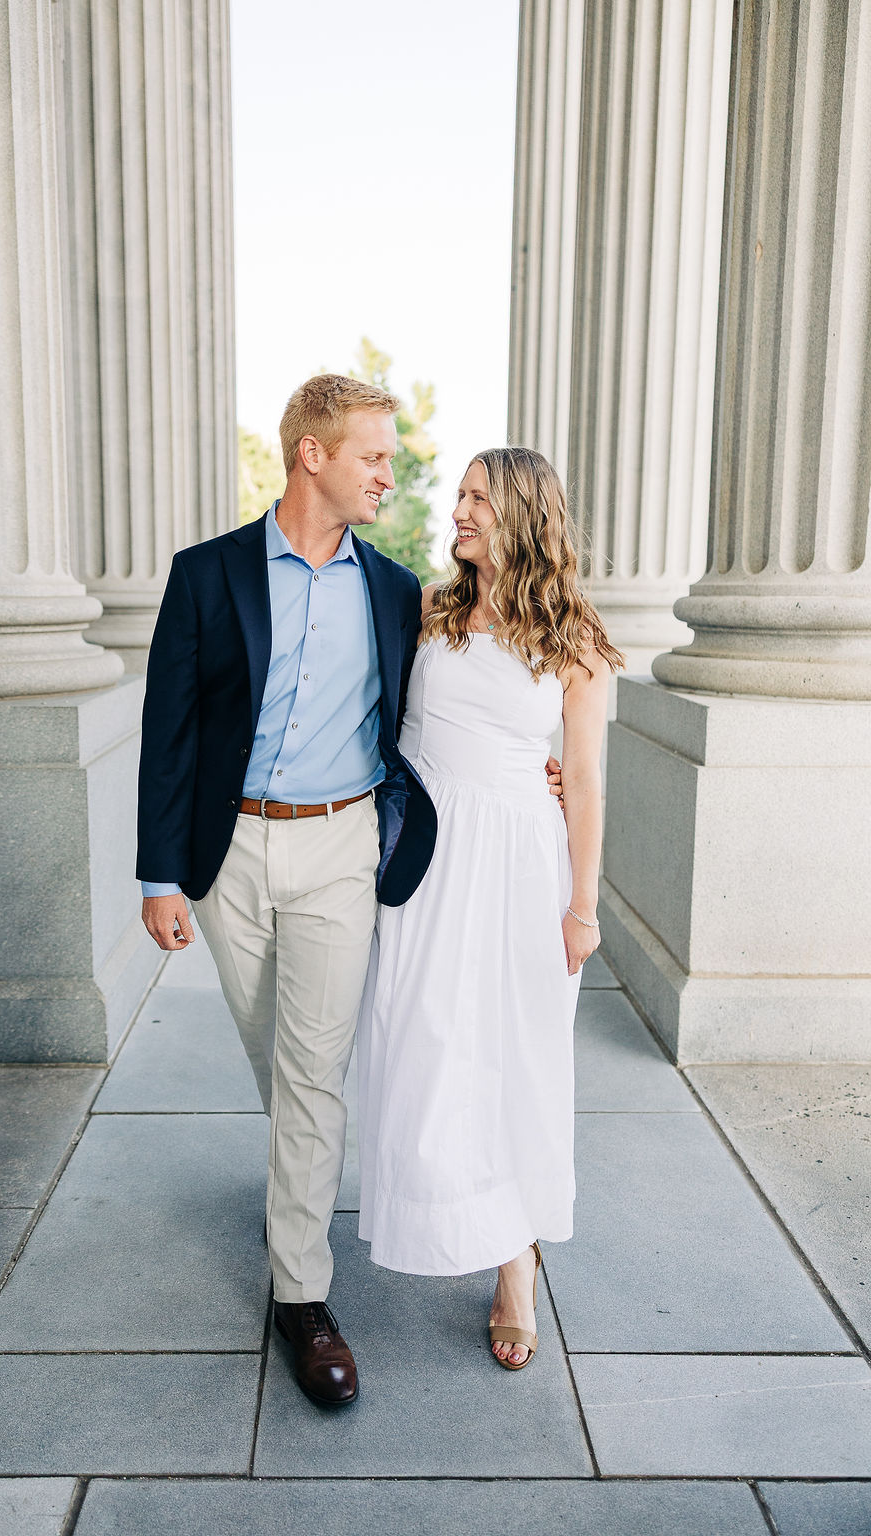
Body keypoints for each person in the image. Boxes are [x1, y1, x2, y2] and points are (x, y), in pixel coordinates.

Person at [136, 375, 454, 1408]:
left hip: (339, 848)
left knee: (312, 1074)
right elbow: (169, 729)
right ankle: (297, 1196)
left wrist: (532, 767)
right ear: (311, 455)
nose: (388, 474)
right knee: (275, 1056)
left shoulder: (395, 589)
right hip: (228, 852)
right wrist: (159, 874)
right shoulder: (206, 575)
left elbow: (437, 708)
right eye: (373, 454)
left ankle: (302, 1300)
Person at [357, 445, 622, 1369]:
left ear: (520, 512)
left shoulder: (575, 640)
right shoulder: (425, 613)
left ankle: (516, 1265)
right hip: (429, 858)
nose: (458, 510)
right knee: (428, 1044)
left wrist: (582, 908)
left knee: (514, 1059)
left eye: (476, 496)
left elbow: (583, 779)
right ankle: (447, 1214)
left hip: (520, 865)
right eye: (460, 495)